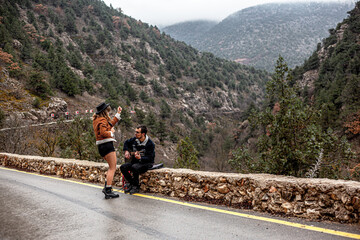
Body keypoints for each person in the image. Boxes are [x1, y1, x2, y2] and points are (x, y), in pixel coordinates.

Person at [92, 102, 122, 199]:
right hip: (106, 145)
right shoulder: (102, 120)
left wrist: (118, 114)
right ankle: (108, 190)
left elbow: (109, 124)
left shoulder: (97, 120)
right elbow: (103, 132)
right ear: (104, 112)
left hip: (101, 146)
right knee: (112, 168)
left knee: (111, 167)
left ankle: (107, 187)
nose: (109, 112)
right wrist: (111, 133)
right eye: (108, 111)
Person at [120, 126, 155, 194]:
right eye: (135, 132)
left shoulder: (150, 144)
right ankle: (132, 184)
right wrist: (126, 151)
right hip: (135, 162)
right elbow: (126, 142)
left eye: (137, 132)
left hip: (146, 163)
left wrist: (141, 158)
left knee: (135, 167)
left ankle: (136, 187)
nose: (135, 134)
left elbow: (150, 158)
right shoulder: (134, 140)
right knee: (123, 167)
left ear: (143, 134)